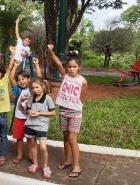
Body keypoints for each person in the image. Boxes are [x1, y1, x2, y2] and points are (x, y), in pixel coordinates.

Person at [48, 44, 88, 178]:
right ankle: (67, 160)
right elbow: (57, 62)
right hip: (63, 110)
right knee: (65, 137)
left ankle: (77, 166)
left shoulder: (83, 81)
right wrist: (51, 51)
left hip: (75, 112)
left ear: (80, 67)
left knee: (72, 139)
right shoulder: (65, 76)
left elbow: (81, 98)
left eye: (74, 67)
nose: (71, 69)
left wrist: (74, 105)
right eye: (69, 67)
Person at [10, 45, 42, 165]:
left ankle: (30, 155)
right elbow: (10, 78)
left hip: (30, 119)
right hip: (19, 117)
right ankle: (19, 154)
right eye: (20, 79)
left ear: (29, 80)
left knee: (30, 138)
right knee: (19, 138)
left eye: (24, 79)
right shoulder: (17, 89)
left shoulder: (32, 89)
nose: (21, 81)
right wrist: (15, 66)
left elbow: (39, 78)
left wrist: (37, 65)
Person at [24, 77, 55, 178]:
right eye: (33, 88)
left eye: (37, 87)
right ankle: (36, 164)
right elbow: (28, 109)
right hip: (30, 124)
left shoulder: (47, 98)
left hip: (41, 126)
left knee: (42, 147)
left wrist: (39, 113)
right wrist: (30, 112)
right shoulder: (31, 97)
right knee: (33, 144)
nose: (35, 90)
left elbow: (53, 112)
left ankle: (45, 166)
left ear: (42, 87)